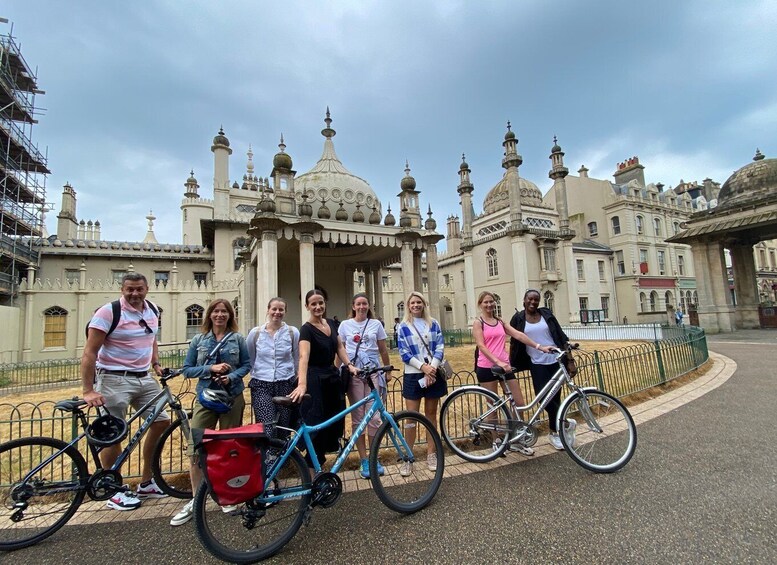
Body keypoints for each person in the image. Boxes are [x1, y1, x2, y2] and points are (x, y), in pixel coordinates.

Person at [81, 273, 168, 511]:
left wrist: (156, 362)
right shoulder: (108, 312)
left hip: (144, 378)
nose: (134, 293)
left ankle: (147, 481)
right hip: (113, 379)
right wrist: (88, 390)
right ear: (122, 289)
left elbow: (151, 338)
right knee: (114, 433)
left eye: (139, 289)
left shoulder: (151, 310)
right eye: (130, 289)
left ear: (147, 289)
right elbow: (89, 352)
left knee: (161, 422)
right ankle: (111, 488)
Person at [170, 299, 250, 526]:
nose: (220, 315)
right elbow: (187, 370)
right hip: (206, 398)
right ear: (210, 315)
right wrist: (210, 368)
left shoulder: (237, 339)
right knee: (197, 448)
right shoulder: (198, 340)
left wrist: (231, 376)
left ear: (230, 315)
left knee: (229, 447)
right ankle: (197, 499)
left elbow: (246, 364)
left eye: (224, 311)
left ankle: (227, 496)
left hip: (231, 398)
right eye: (216, 311)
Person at [473, 291, 555, 457]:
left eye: (491, 302)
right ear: (480, 304)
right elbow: (481, 346)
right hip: (487, 367)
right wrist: (498, 362)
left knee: (518, 402)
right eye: (486, 302)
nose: (489, 305)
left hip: (506, 367)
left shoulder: (500, 321)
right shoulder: (478, 323)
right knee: (493, 406)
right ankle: (496, 441)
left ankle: (515, 439)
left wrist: (540, 347)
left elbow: (518, 334)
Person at [289, 289, 357, 468]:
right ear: (307, 306)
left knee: (330, 424)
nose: (318, 306)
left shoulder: (332, 324)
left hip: (331, 380)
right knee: (316, 425)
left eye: (321, 303)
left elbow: (340, 347)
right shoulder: (306, 330)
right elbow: (304, 357)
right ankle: (310, 471)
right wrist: (302, 384)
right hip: (315, 381)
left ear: (325, 303)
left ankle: (318, 466)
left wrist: (349, 365)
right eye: (313, 304)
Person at [509, 289, 576, 451]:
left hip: (555, 361)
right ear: (524, 300)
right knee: (543, 398)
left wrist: (570, 359)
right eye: (530, 299)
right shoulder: (518, 318)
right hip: (536, 362)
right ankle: (565, 423)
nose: (533, 303)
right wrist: (511, 361)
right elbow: (514, 340)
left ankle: (555, 432)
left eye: (536, 300)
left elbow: (561, 337)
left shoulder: (546, 315)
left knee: (556, 398)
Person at [338, 293, 393, 479]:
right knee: (358, 418)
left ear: (368, 306)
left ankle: (373, 456)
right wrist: (335, 370)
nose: (362, 307)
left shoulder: (375, 324)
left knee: (374, 417)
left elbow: (383, 349)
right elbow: (341, 349)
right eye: (358, 304)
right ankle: (363, 459)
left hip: (373, 373)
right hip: (354, 373)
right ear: (353, 306)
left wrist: (388, 370)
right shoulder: (345, 325)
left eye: (364, 304)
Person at [396, 291, 445, 475]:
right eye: (412, 303)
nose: (416, 305)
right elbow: (404, 352)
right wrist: (422, 367)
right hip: (413, 374)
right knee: (411, 417)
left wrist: (432, 367)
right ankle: (408, 456)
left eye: (419, 302)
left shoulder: (433, 323)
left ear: (424, 304)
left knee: (431, 415)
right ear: (408, 306)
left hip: (433, 373)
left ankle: (431, 453)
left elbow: (440, 345)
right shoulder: (403, 326)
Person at [245, 297, 300, 444]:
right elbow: (250, 358)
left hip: (285, 383)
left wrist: (295, 377)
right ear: (268, 310)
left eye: (281, 309)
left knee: (284, 426)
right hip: (262, 384)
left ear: (285, 312)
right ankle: (268, 462)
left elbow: (296, 357)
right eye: (274, 309)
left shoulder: (292, 333)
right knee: (267, 425)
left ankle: (283, 461)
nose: (277, 312)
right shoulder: (255, 334)